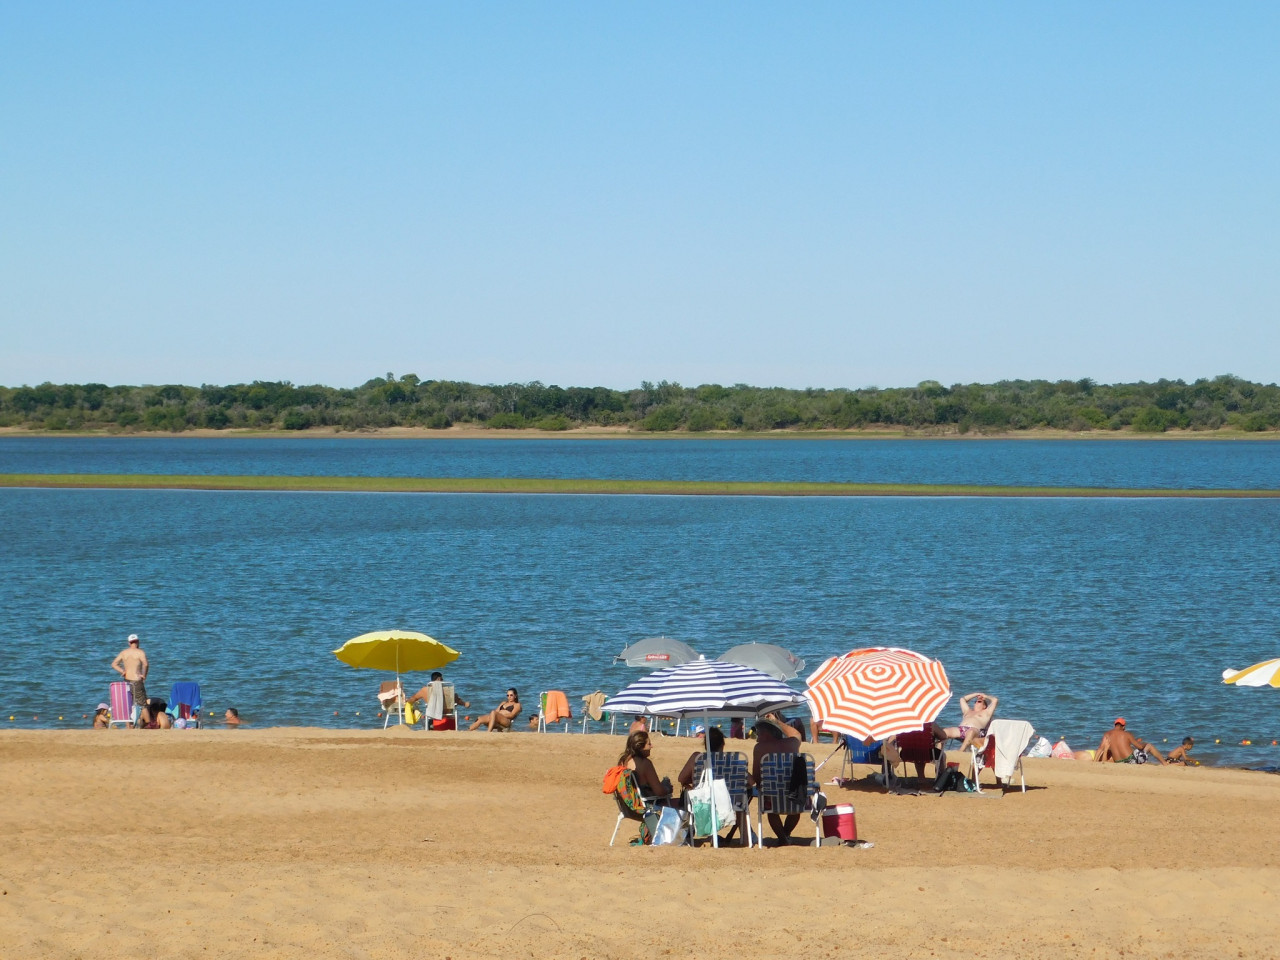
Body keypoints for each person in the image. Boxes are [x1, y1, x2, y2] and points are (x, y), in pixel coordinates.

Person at [751, 713, 803, 844]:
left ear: (767, 733)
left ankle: (782, 838)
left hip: (772, 796)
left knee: (772, 811)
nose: (757, 739)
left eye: (759, 734)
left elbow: (757, 777)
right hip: (796, 795)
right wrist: (778, 722)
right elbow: (797, 734)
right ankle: (786, 834)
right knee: (796, 807)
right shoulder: (792, 743)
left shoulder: (760, 748)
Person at [618, 730, 673, 804]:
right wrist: (667, 788)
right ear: (640, 747)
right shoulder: (645, 763)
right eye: (649, 744)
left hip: (628, 805)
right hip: (645, 805)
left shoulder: (623, 761)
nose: (651, 746)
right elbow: (659, 792)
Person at [110, 633, 149, 723]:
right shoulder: (140, 652)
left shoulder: (124, 653)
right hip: (137, 681)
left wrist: (122, 671)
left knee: (128, 704)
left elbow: (114, 664)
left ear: (129, 643)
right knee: (142, 704)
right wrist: (144, 675)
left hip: (127, 681)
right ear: (138, 642)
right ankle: (148, 724)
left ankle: (129, 726)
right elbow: (146, 664)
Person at [1095, 718, 1167, 765]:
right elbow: (1140, 747)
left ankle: (1094, 762)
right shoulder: (1127, 734)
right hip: (1131, 761)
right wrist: (1144, 743)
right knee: (1149, 746)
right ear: (1123, 727)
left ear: (1115, 725)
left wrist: (1095, 762)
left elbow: (1100, 749)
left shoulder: (1107, 734)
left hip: (1118, 762)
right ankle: (1165, 764)